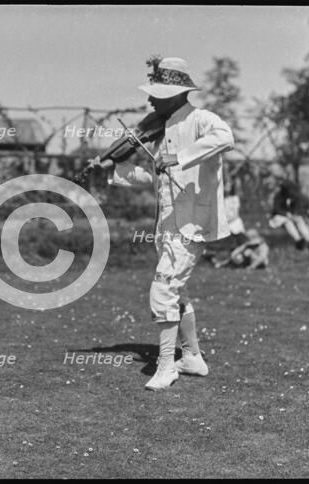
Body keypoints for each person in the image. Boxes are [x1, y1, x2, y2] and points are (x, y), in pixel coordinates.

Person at [88, 56, 234, 390]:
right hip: (166, 228)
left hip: (190, 226)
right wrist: (111, 170)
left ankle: (166, 366)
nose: (150, 99)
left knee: (163, 290)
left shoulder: (201, 119)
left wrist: (179, 157)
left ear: (178, 93)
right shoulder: (160, 128)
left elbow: (226, 137)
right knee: (177, 290)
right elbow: (154, 178)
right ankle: (193, 357)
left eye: (157, 91)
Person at [267, 172, 309, 251]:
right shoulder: (278, 196)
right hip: (280, 217)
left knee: (299, 220)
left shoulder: (294, 197)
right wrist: (286, 214)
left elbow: (296, 208)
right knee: (287, 222)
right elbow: (277, 209)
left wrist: (294, 214)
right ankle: (298, 239)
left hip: (291, 216)